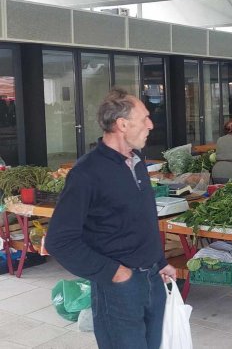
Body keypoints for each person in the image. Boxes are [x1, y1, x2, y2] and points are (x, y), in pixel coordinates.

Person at [46, 88, 177, 349]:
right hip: (119, 289)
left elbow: (140, 220)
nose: (151, 125)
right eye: (145, 118)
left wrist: (159, 261)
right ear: (122, 124)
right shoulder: (86, 173)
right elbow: (59, 240)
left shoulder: (137, 162)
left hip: (153, 279)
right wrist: (115, 273)